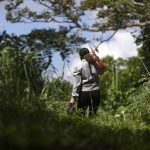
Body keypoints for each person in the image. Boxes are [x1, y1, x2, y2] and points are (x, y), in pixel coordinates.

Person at [69, 48, 105, 117]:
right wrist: (98, 60)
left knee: (80, 116)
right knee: (93, 116)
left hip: (84, 93)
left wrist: (73, 99)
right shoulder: (94, 64)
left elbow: (77, 84)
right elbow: (102, 72)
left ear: (80, 56)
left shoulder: (78, 66)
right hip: (96, 92)